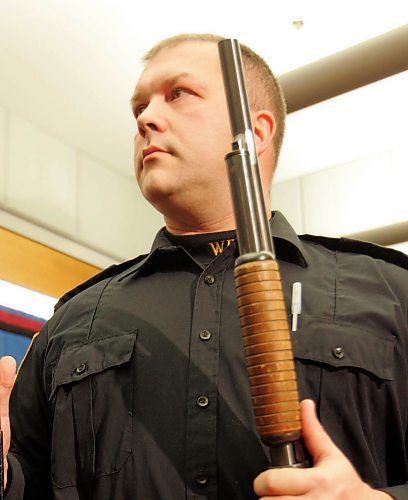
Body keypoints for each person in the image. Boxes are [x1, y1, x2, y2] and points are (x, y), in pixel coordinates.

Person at [1, 33, 407, 499]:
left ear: (255, 133)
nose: (146, 119)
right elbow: (27, 482)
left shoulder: (393, 293)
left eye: (179, 94)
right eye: (139, 108)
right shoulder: (73, 319)